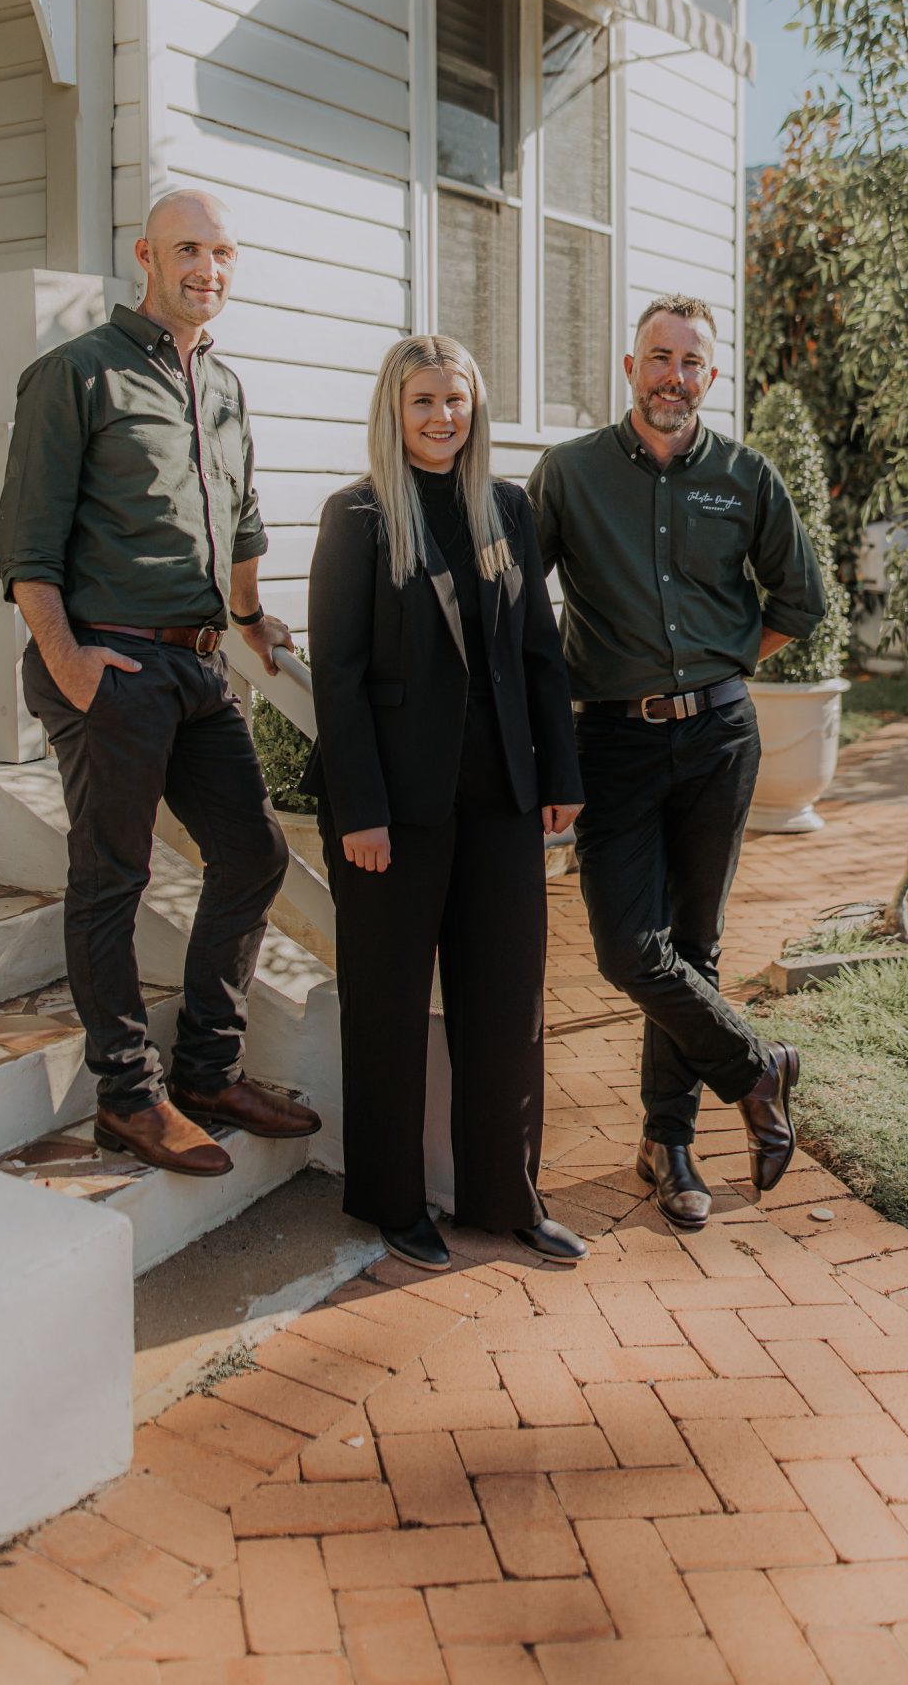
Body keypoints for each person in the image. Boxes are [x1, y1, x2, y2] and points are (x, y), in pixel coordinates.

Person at [0, 189, 320, 1179]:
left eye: (221, 250)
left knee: (252, 853)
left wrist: (254, 614)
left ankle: (209, 1071)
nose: (206, 266)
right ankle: (127, 1097)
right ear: (144, 254)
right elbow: (25, 544)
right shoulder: (73, 375)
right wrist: (71, 663)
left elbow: (244, 518)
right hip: (113, 661)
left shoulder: (222, 385)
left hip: (198, 661)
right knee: (112, 876)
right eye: (187, 248)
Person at [528, 294, 827, 1232]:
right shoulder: (569, 475)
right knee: (629, 947)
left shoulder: (745, 477)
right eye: (659, 357)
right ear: (630, 367)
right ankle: (756, 1066)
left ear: (711, 376)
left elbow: (799, 600)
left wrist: (723, 666)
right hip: (610, 740)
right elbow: (517, 609)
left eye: (691, 363)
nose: (673, 377)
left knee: (693, 944)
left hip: (718, 740)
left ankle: (669, 1144)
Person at [305, 334, 587, 1271]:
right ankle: (391, 1200)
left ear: (476, 409)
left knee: (507, 1001)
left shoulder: (506, 507)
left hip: (502, 795)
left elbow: (540, 656)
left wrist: (560, 777)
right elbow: (338, 679)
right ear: (395, 408)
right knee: (385, 1003)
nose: (442, 418)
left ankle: (507, 1196)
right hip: (395, 807)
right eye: (424, 401)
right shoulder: (356, 516)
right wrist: (360, 811)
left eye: (456, 401)